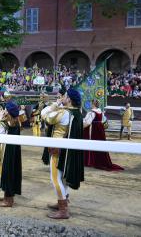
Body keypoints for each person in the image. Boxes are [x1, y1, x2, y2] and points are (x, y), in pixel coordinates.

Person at [41, 88, 84, 219]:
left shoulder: (65, 112)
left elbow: (45, 115)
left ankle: (63, 208)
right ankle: (62, 200)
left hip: (57, 150)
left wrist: (54, 104)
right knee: (63, 178)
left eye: (65, 96)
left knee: (55, 178)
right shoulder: (77, 112)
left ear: (69, 99)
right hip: (67, 150)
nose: (62, 97)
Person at [0, 101, 25, 207]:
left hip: (8, 151)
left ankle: (8, 200)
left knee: (8, 172)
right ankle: (7, 196)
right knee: (9, 172)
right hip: (12, 151)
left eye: (6, 109)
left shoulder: (8, 123)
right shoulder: (15, 121)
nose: (4, 111)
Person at [83, 100, 123, 171]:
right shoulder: (100, 112)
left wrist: (81, 127)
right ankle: (97, 159)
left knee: (91, 144)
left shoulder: (92, 112)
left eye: (91, 103)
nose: (90, 104)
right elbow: (103, 120)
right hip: (100, 129)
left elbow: (88, 123)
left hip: (93, 130)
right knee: (99, 144)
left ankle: (90, 161)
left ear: (93, 104)